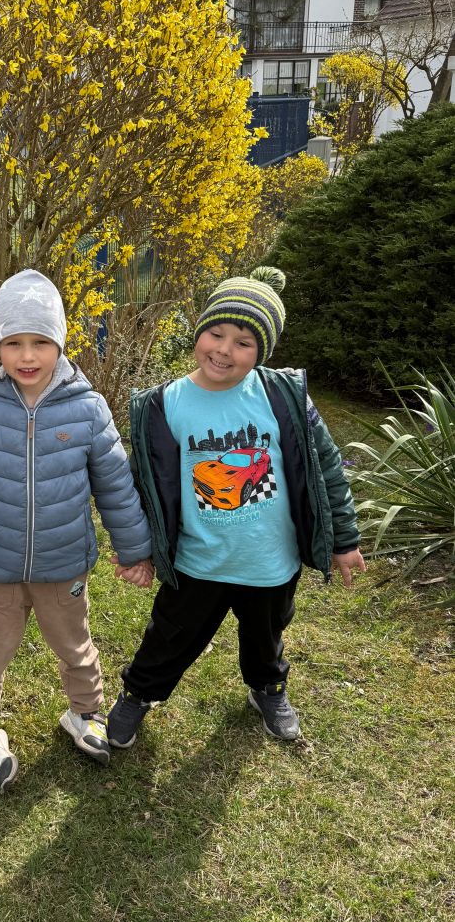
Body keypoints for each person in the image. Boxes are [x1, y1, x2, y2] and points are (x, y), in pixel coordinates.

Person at [107, 267, 365, 748]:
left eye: (243, 343)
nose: (224, 350)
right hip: (198, 561)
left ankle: (268, 688)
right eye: (216, 334)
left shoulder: (282, 396)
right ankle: (139, 693)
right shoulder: (164, 404)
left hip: (270, 561)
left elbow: (325, 466)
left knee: (266, 637)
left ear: (261, 352)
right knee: (170, 635)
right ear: (199, 332)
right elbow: (145, 486)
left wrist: (344, 539)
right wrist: (137, 550)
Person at [0, 269, 154, 792]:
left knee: (75, 646)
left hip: (63, 565)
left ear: (60, 343)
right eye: (13, 343)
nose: (27, 356)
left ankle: (85, 713)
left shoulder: (88, 409)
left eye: (40, 342)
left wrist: (134, 551)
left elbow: (116, 488)